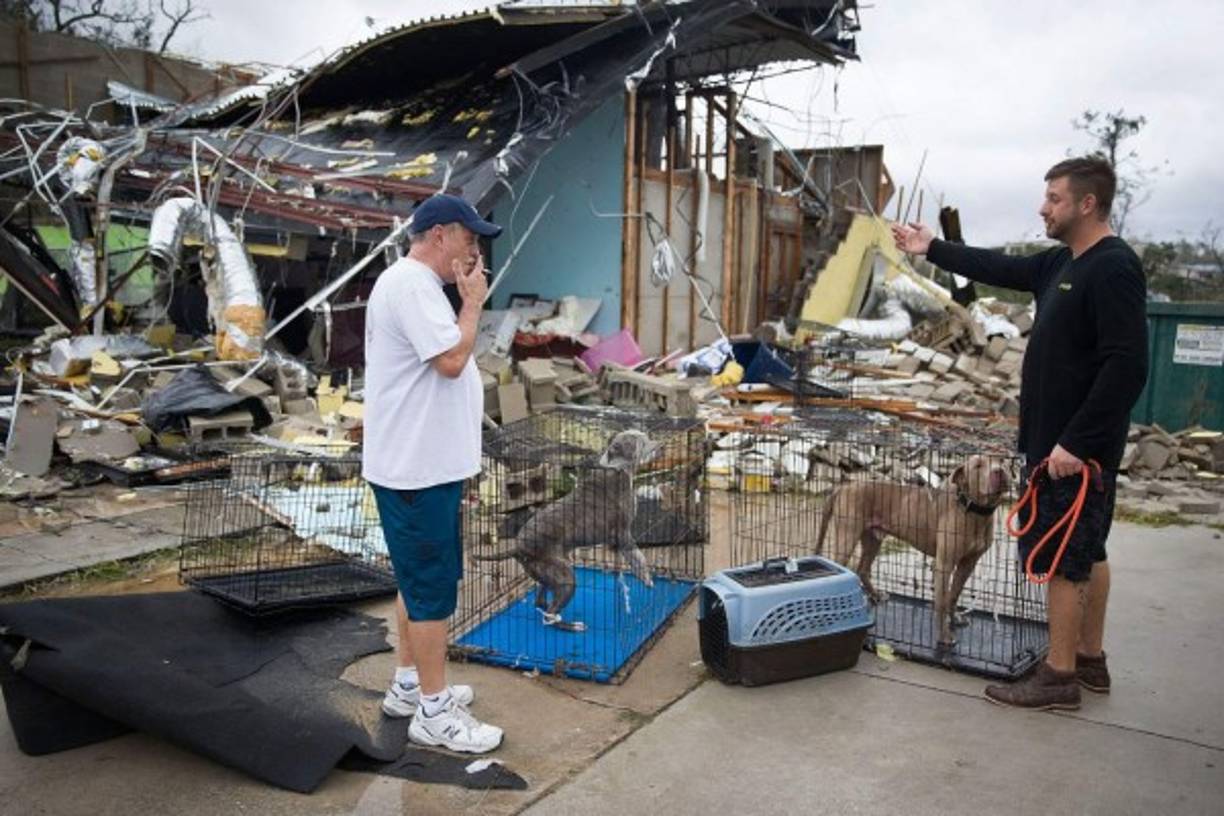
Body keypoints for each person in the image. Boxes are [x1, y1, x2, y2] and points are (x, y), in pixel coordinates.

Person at [892, 156, 1148, 711]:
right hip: (1057, 447)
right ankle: (1089, 659)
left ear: (1086, 204)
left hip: (1073, 456)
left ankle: (1059, 677)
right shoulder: (1060, 262)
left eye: (1054, 198)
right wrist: (931, 247)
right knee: (1089, 550)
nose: (1043, 206)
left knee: (1061, 559)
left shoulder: (1113, 268)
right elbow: (998, 266)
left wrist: (1075, 444)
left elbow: (1127, 365)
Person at [362, 193, 503, 753]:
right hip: (415, 470)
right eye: (469, 240)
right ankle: (433, 711)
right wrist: (472, 304)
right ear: (441, 234)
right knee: (432, 589)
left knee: (417, 580)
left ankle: (407, 684)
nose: (472, 253)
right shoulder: (412, 285)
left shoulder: (415, 286)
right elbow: (450, 362)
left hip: (423, 465)